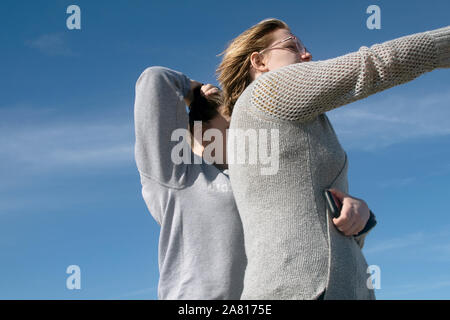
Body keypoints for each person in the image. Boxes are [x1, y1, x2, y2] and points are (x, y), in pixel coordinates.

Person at [217, 18, 450, 299]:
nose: (307, 54)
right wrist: (442, 45)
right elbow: (373, 64)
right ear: (260, 62)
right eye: (292, 46)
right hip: (305, 288)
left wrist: (361, 216)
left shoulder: (271, 121)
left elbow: (308, 219)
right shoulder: (266, 91)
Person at [134, 66, 247, 299]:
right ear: (205, 132)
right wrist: (193, 91)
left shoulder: (249, 179)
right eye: (233, 126)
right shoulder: (176, 173)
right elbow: (156, 79)